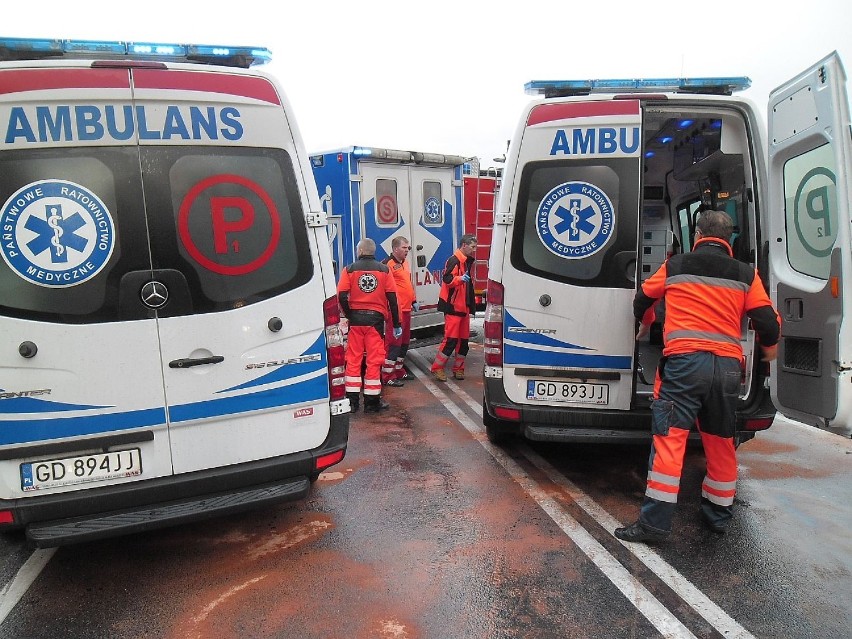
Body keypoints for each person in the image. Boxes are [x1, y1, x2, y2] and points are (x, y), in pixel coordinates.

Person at [615, 210, 780, 543]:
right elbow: (767, 321)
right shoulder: (746, 274)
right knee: (720, 444)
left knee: (670, 441)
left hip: (684, 366)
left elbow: (643, 298)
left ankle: (654, 525)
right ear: (729, 238)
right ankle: (717, 516)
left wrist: (647, 322)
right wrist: (770, 351)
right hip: (727, 371)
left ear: (697, 235)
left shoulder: (676, 266)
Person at [337, 238, 402, 413]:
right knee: (374, 360)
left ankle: (352, 402)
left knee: (353, 359)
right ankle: (372, 403)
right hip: (375, 322)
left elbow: (341, 295)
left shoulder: (349, 270)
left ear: (359, 251)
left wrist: (349, 314)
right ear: (374, 251)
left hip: (356, 321)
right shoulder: (384, 270)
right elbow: (393, 300)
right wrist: (396, 323)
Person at [431, 233, 477, 382]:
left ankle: (459, 369)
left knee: (463, 342)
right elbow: (447, 279)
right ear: (464, 245)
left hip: (463, 307)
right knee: (450, 340)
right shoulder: (454, 260)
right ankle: (437, 368)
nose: (474, 250)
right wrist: (459, 279)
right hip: (454, 307)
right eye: (472, 247)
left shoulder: (465, 261)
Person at [381, 236, 417, 387]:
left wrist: (413, 300)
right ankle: (387, 375)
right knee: (393, 344)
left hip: (407, 309)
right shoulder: (386, 265)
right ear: (395, 249)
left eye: (408, 247)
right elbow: (384, 288)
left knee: (404, 343)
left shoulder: (405, 263)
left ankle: (398, 370)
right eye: (404, 248)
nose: (407, 250)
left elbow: (407, 284)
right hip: (395, 312)